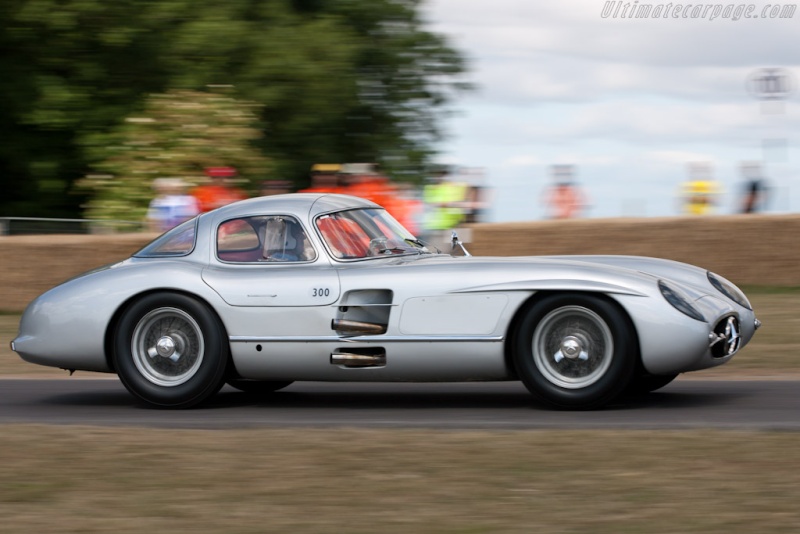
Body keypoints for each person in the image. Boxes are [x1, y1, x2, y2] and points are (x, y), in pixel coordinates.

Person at [421, 166, 469, 250]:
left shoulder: (455, 187)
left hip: (456, 225)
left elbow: (465, 201)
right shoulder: (431, 188)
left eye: (442, 174)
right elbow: (434, 203)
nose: (440, 177)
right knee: (439, 253)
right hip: (439, 228)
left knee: (458, 253)